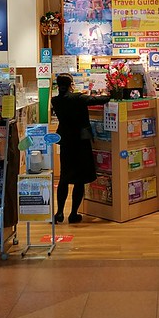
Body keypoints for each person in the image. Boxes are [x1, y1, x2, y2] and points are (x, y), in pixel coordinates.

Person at [51, 73, 111, 223]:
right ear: (71, 84)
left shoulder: (55, 100)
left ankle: (59, 213)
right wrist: (110, 94)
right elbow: (99, 100)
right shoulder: (78, 98)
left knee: (64, 177)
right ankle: (73, 214)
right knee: (79, 179)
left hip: (65, 141)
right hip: (81, 141)